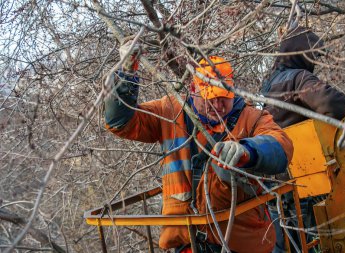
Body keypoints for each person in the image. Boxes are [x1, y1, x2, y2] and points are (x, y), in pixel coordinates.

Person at [105, 48, 294, 253]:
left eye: (223, 97)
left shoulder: (252, 118)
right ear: (193, 89)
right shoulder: (170, 111)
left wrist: (248, 151)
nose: (218, 105)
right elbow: (120, 123)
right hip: (186, 242)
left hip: (239, 243)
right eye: (210, 98)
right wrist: (126, 74)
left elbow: (281, 146)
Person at [261, 26, 345, 253]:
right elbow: (331, 104)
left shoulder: (270, 84)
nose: (315, 62)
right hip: (306, 177)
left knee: (291, 242)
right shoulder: (298, 78)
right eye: (313, 55)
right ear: (302, 53)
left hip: (279, 176)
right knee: (317, 240)